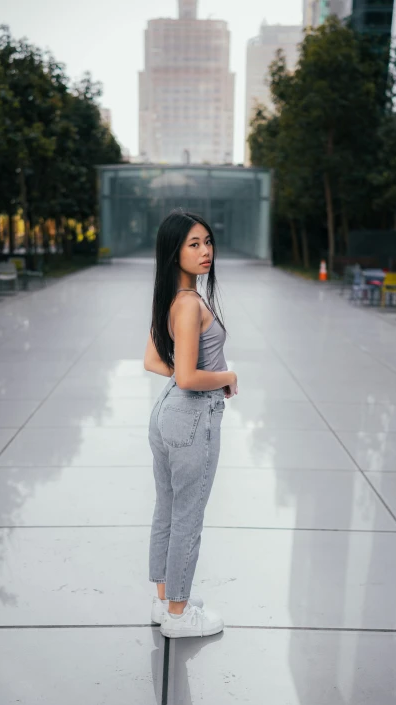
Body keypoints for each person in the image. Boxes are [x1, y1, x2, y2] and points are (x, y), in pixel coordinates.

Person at [144, 210, 238, 638]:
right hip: (192, 415)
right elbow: (187, 376)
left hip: (167, 413)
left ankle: (165, 598)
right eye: (193, 244)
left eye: (207, 242)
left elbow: (152, 361)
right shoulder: (189, 304)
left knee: (167, 508)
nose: (205, 252)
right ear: (174, 252)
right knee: (187, 516)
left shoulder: (170, 296)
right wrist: (226, 377)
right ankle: (179, 615)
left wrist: (193, 368)